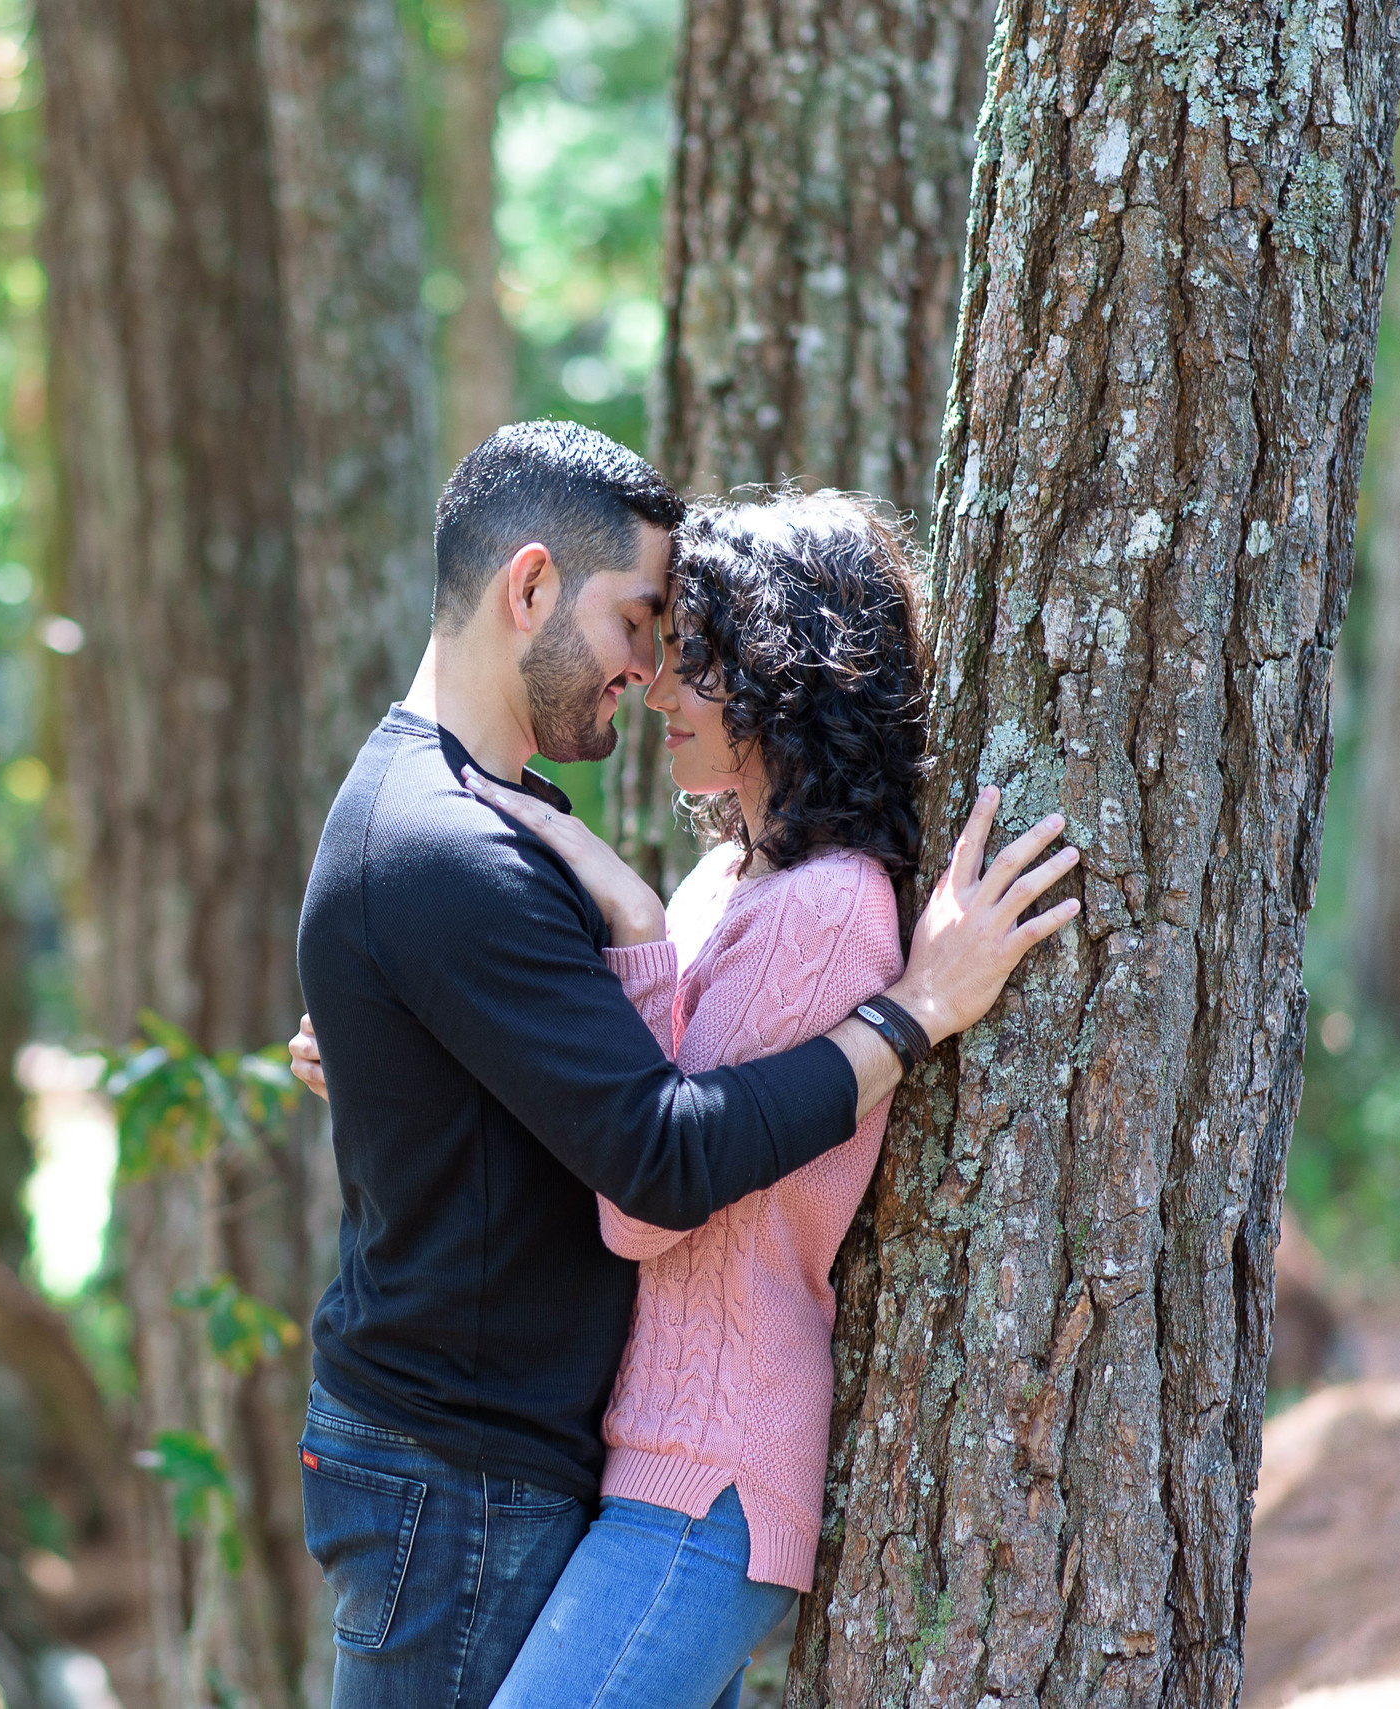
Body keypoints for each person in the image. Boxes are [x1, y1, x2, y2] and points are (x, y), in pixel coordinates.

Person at [288, 424, 1076, 1709]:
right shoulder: (578, 859)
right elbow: (641, 1123)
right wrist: (424, 1052)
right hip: (527, 1453)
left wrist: (914, 1001)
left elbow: (645, 1153)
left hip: (666, 1457)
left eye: (685, 649)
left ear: (782, 677)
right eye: (642, 628)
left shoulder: (804, 906)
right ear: (528, 588)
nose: (651, 678)